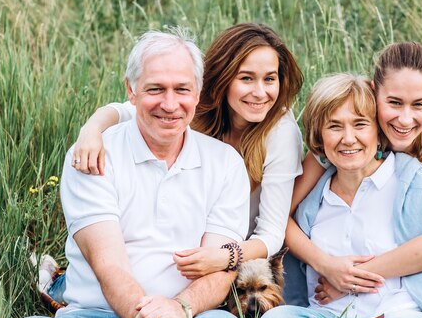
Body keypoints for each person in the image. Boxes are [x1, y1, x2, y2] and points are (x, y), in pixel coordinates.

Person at [0, 29, 252, 318]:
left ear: (197, 93)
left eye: (181, 89)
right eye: (155, 89)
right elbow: (109, 266)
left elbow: (221, 270)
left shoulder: (224, 163)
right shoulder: (93, 156)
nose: (169, 103)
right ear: (131, 91)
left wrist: (179, 310)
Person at [257, 73, 422, 318]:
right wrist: (327, 266)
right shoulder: (312, 200)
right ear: (319, 137)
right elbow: (276, 223)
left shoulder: (414, 186)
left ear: (378, 131)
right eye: (334, 126)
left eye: (359, 124)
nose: (348, 138)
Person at [70, 23, 304, 274]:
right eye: (246, 78)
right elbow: (129, 109)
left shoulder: (280, 132)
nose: (260, 92)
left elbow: (271, 233)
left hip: (238, 251)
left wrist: (223, 256)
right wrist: (92, 129)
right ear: (224, 78)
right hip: (186, 241)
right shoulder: (190, 104)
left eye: (270, 79)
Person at [283, 42, 422, 318]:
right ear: (373, 91)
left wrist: (350, 281)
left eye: (419, 104)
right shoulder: (350, 133)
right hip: (384, 234)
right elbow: (281, 213)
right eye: (394, 102)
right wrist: (326, 266)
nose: (405, 119)